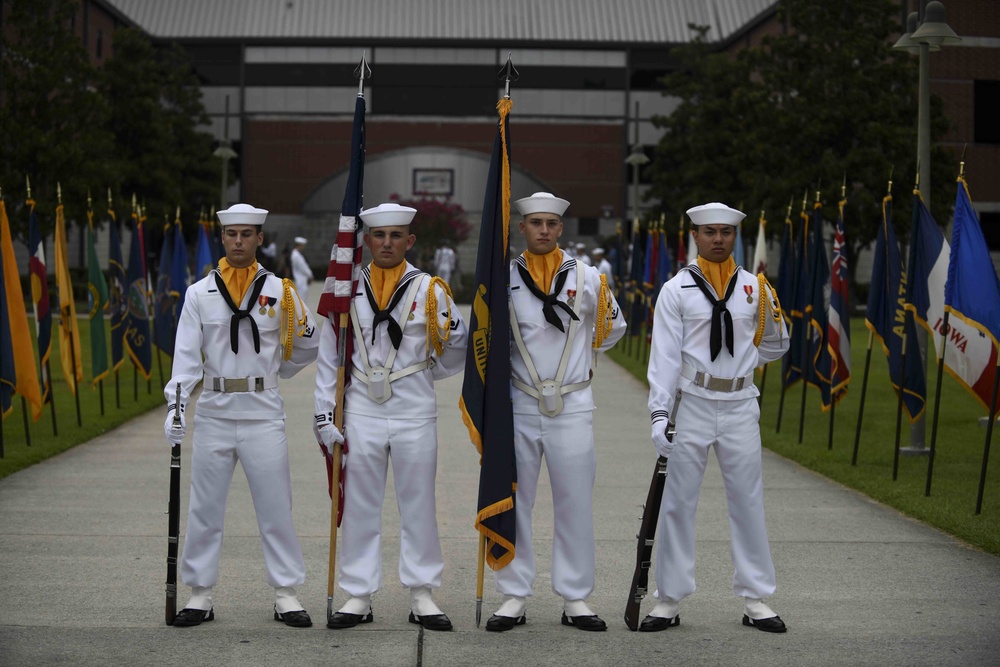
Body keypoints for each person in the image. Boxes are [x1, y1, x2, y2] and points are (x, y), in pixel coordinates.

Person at [314, 202, 468, 631]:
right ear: (365, 241)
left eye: (396, 236)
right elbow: (330, 355)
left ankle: (422, 593)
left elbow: (456, 344)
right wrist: (325, 413)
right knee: (361, 503)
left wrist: (428, 373)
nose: (386, 243)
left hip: (413, 409)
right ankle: (358, 593)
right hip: (361, 407)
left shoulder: (431, 290)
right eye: (378, 236)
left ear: (410, 241)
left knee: (418, 502)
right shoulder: (346, 288)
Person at [164, 203, 320, 628]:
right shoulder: (199, 293)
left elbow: (308, 343)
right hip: (215, 411)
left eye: (246, 234)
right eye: (231, 234)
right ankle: (200, 594)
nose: (238, 241)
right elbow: (185, 361)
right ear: (222, 237)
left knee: (275, 506)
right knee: (205, 508)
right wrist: (176, 406)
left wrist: (277, 372)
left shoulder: (282, 292)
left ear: (259, 239)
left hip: (262, 411)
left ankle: (286, 593)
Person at [642, 202, 789, 633]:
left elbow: (776, 342)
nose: (718, 239)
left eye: (726, 232)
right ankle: (669, 598)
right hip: (692, 403)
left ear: (735, 236)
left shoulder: (756, 288)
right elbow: (665, 357)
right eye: (710, 232)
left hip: (741, 403)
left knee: (747, 500)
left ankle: (756, 597)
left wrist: (740, 368)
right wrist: (659, 412)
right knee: (677, 503)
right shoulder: (676, 289)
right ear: (696, 236)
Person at [486, 192, 626, 633]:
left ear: (560, 228)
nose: (543, 230)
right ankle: (513, 594)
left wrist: (581, 358)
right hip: (521, 405)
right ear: (522, 229)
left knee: (574, 502)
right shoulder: (503, 276)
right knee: (516, 500)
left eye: (551, 223)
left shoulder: (588, 279)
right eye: (535, 223)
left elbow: (612, 328)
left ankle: (576, 596)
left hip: (572, 404)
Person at [290, 236, 312, 300]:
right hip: (301, 279)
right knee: (301, 298)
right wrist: (310, 275)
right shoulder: (296, 255)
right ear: (299, 245)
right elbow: (303, 268)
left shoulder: (296, 254)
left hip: (301, 279)